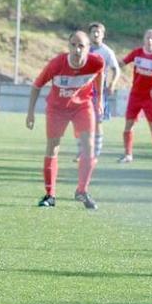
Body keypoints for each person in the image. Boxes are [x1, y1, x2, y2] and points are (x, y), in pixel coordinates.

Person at [25, 31, 104, 210]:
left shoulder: (97, 62)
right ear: (68, 47)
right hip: (57, 109)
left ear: (88, 48)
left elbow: (100, 73)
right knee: (53, 147)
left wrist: (99, 100)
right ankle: (50, 195)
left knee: (89, 147)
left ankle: (82, 191)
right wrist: (30, 113)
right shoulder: (56, 64)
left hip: (82, 106)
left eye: (81, 46)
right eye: (73, 45)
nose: (77, 50)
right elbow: (37, 86)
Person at [74, 22, 120, 162]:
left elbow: (116, 69)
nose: (95, 34)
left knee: (98, 122)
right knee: (82, 121)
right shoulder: (84, 49)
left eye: (98, 32)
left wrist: (112, 83)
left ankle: (95, 153)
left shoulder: (107, 52)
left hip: (99, 91)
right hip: (83, 91)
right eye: (93, 31)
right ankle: (81, 152)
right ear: (89, 34)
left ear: (103, 34)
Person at [117, 29, 152, 163]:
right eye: (147, 38)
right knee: (129, 124)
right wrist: (112, 66)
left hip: (150, 97)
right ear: (144, 39)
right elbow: (121, 63)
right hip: (135, 95)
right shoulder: (137, 53)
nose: (150, 40)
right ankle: (128, 155)